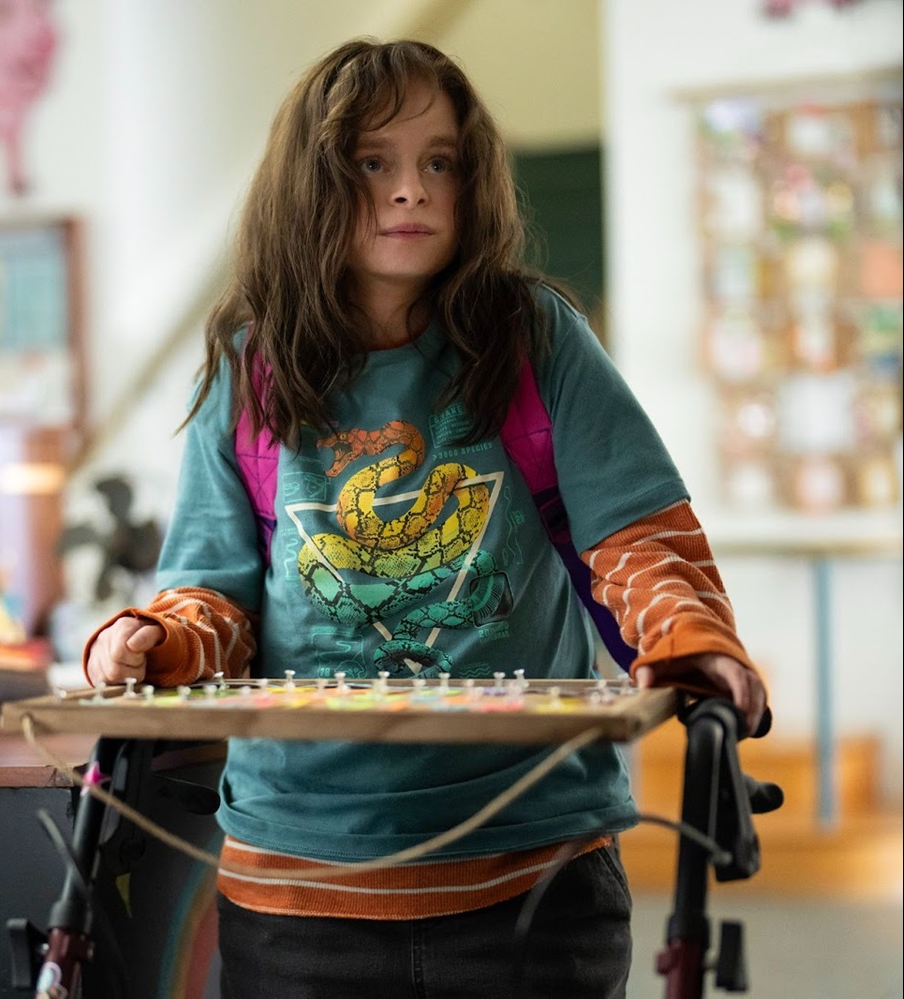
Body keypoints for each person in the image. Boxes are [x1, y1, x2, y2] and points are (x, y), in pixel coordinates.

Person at [83, 38, 769, 999]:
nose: (412, 189)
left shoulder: (536, 336)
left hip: (533, 872)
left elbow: (639, 543)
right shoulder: (249, 369)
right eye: (374, 162)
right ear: (311, 184)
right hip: (297, 888)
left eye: (440, 162)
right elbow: (215, 601)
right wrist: (148, 642)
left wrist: (694, 641)